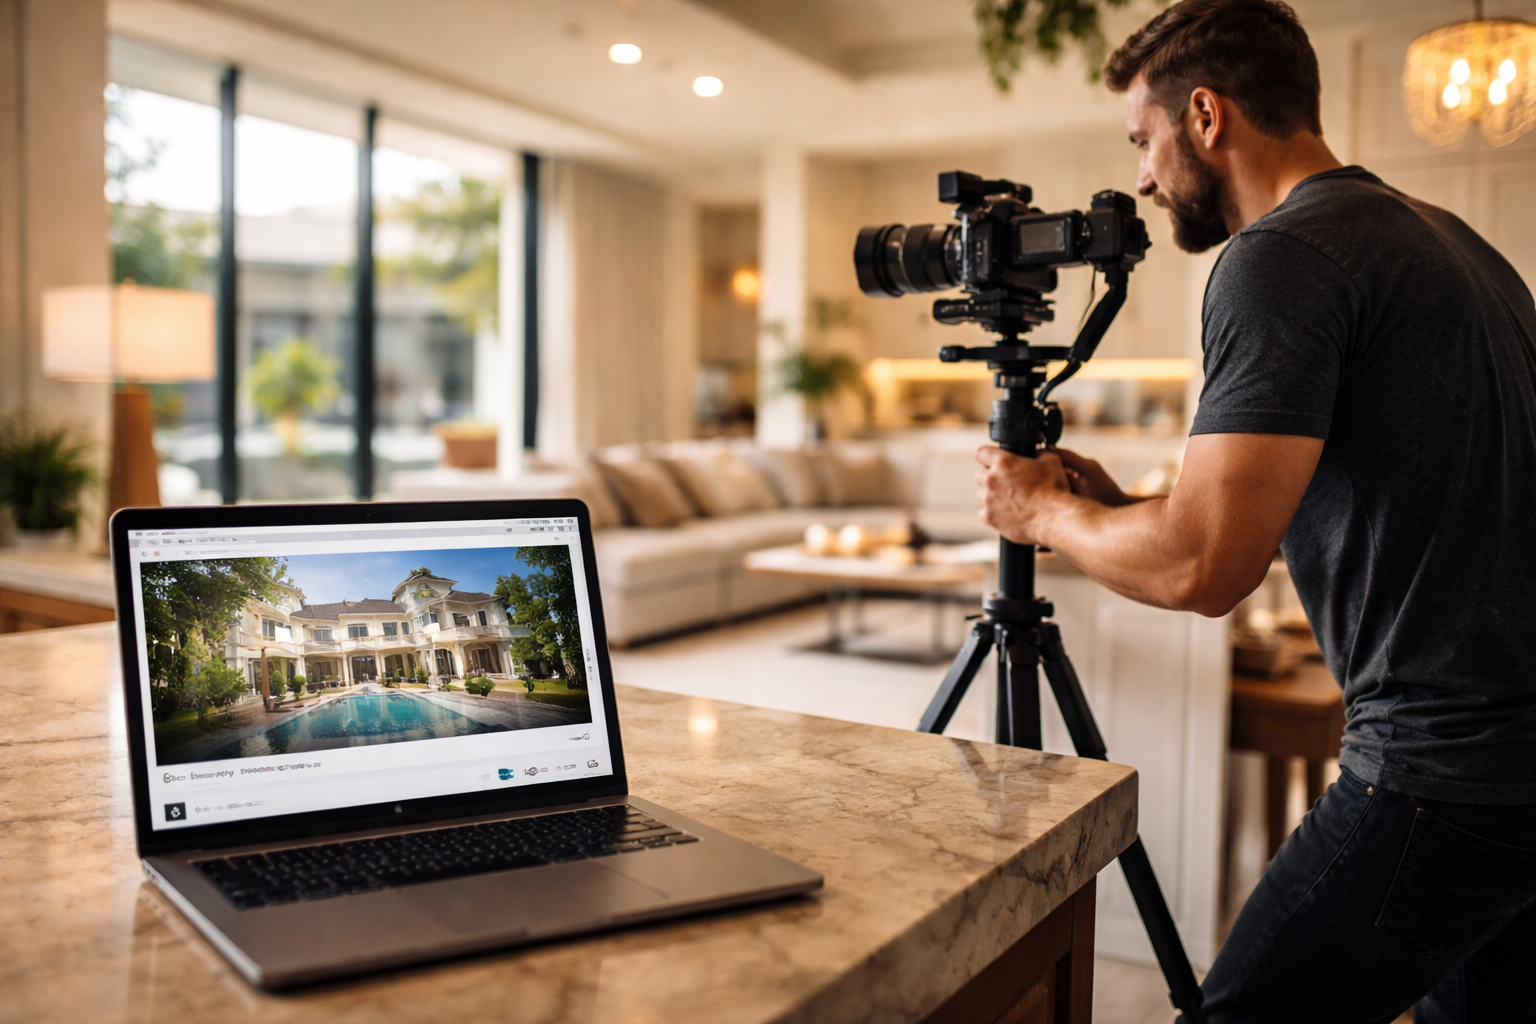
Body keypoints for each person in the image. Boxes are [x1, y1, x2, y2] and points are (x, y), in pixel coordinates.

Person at [973, 1, 1536, 1021]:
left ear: (1204, 116)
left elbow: (1203, 568)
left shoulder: (1280, 255)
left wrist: (1036, 513)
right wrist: (1125, 505)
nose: (1142, 177)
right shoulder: (1456, 246)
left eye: (1143, 140)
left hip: (1440, 774)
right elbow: (1370, 499)